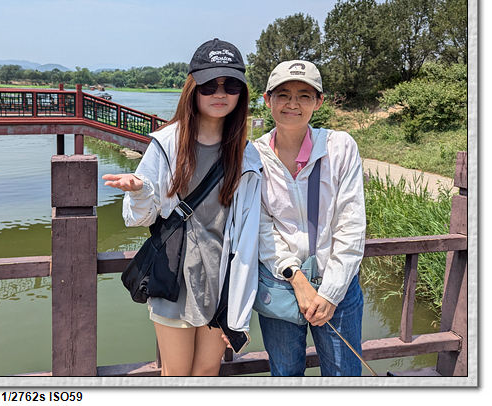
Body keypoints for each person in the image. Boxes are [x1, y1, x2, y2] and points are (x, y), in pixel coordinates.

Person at [103, 38, 262, 376]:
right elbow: (137, 218)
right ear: (193, 89)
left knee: (207, 372)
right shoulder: (167, 144)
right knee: (175, 375)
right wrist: (139, 191)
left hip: (222, 279)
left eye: (231, 85)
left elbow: (250, 228)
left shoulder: (247, 154)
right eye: (210, 85)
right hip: (174, 274)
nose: (220, 93)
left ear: (242, 93)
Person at [253, 60, 366, 376]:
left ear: (319, 102)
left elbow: (351, 223)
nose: (293, 104)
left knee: (344, 377)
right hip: (280, 283)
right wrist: (296, 278)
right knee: (285, 374)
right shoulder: (253, 155)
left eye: (304, 95)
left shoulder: (339, 147)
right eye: (283, 95)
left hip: (338, 286)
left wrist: (330, 292)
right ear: (267, 100)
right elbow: (262, 226)